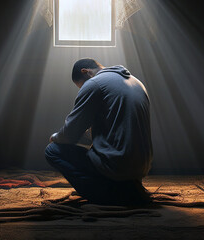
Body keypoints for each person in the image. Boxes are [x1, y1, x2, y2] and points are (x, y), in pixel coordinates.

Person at [45, 58, 153, 205]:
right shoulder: (135, 82)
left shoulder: (94, 83)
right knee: (91, 150)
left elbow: (70, 134)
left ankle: (108, 194)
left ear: (86, 72)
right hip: (141, 167)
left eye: (81, 86)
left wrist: (56, 137)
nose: (82, 89)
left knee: (52, 150)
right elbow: (111, 132)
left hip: (117, 166)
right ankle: (126, 186)